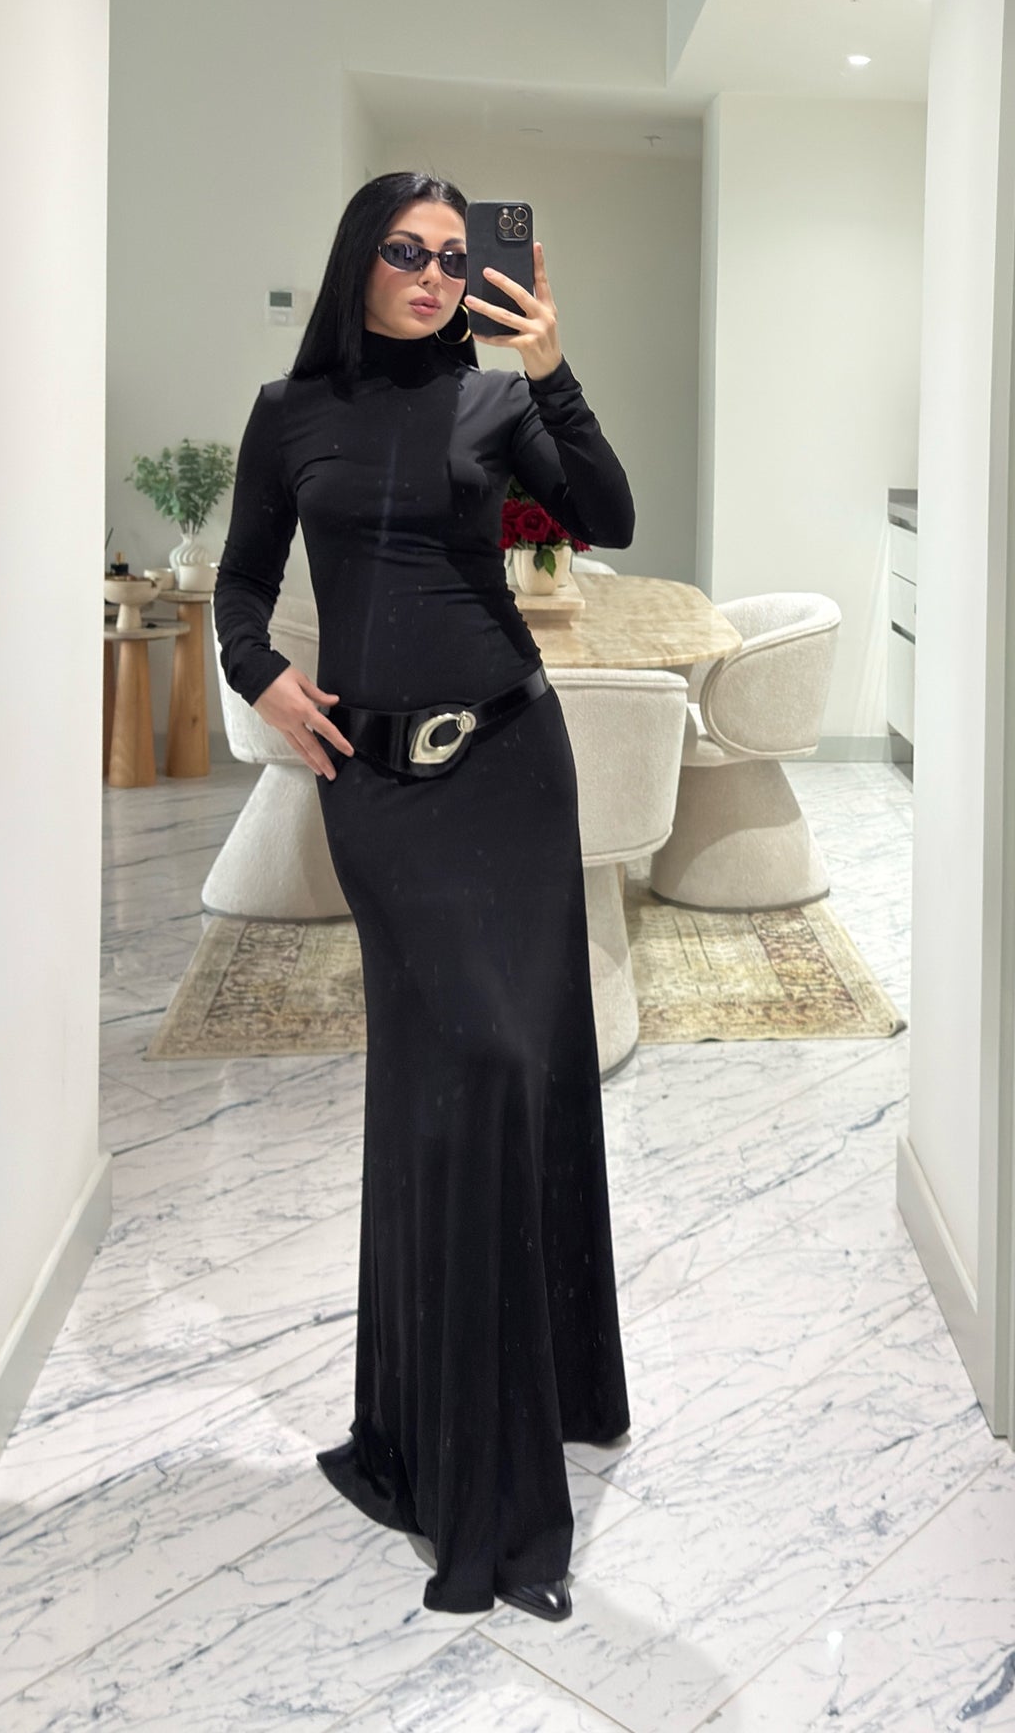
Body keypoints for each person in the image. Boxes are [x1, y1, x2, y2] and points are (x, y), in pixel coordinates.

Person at [213, 171, 635, 1622]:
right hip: (380, 793)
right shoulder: (289, 415)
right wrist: (262, 677)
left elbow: (606, 514)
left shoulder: (495, 401)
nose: (435, 274)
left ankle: (540, 1417)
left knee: (526, 1072)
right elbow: (240, 589)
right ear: (360, 260)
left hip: (515, 762)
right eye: (408, 250)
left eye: (456, 259)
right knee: (462, 1080)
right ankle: (469, 1481)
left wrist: (552, 369)